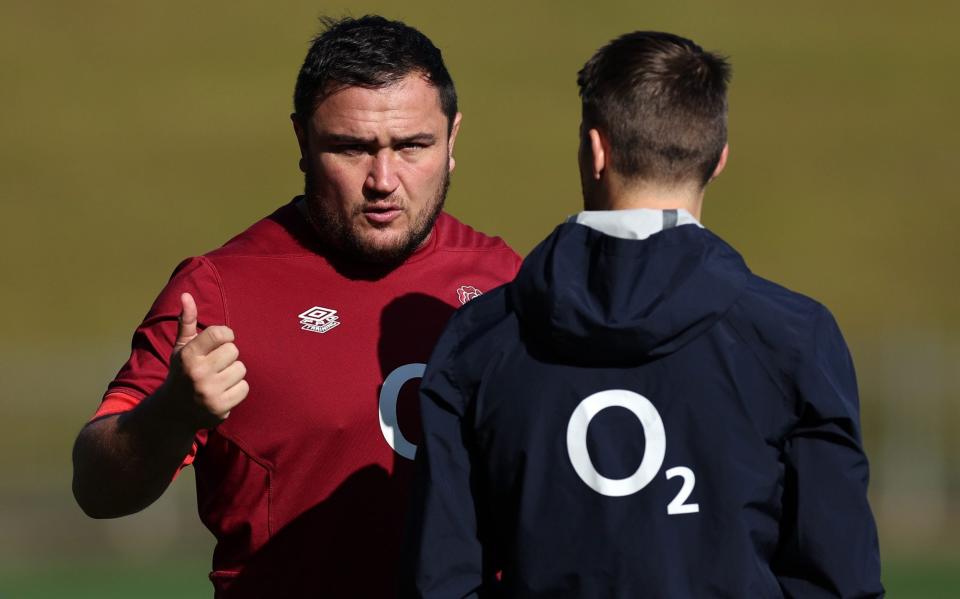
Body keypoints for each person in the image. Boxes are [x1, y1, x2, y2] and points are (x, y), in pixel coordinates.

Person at [402, 31, 883, 598]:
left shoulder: (478, 341)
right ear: (718, 159)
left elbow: (443, 583)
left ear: (595, 150)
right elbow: (839, 582)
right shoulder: (796, 338)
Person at [71, 15, 521, 598]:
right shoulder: (219, 290)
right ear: (302, 142)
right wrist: (171, 413)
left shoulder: (504, 279)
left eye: (412, 146)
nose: (383, 179)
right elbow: (98, 491)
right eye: (351, 148)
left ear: (452, 141)